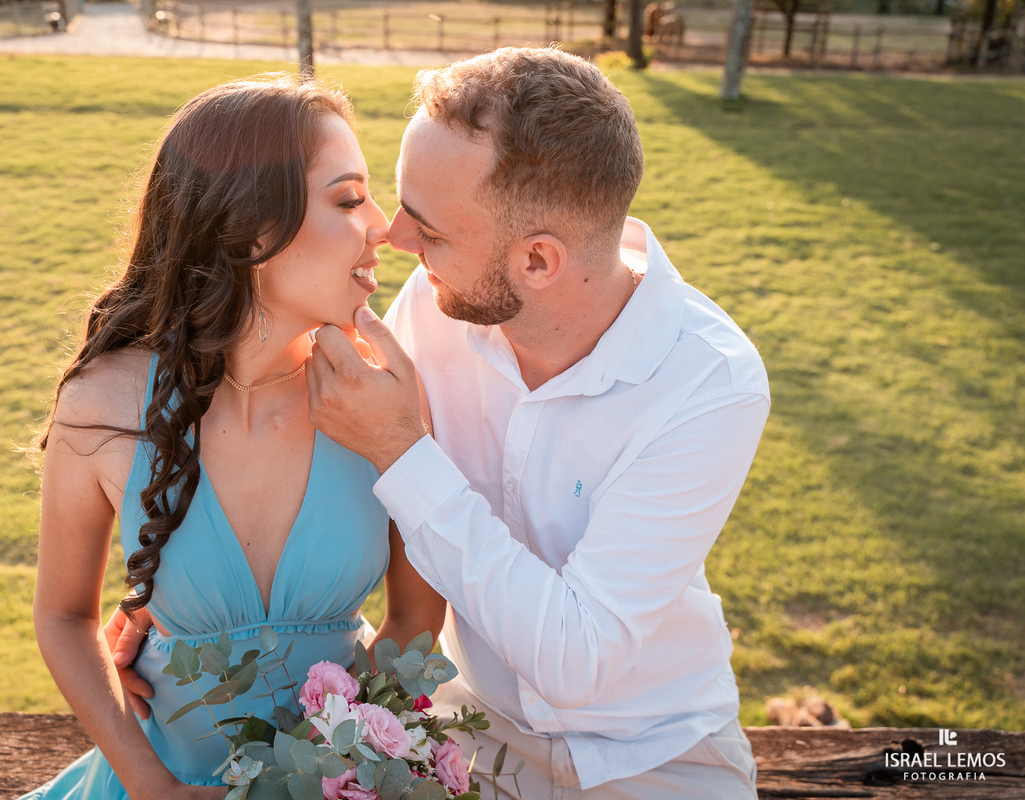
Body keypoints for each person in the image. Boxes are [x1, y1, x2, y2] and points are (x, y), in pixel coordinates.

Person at [304, 47, 770, 798]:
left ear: (539, 262)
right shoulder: (433, 301)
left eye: (429, 228)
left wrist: (402, 448)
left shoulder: (710, 382)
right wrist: (171, 616)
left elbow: (576, 661)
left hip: (658, 754)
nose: (393, 239)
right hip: (469, 730)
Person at [21, 77, 444, 800]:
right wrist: (152, 786)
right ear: (250, 229)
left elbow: (415, 614)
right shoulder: (103, 407)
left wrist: (314, 777)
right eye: (348, 199)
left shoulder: (380, 396)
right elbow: (63, 616)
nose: (382, 225)